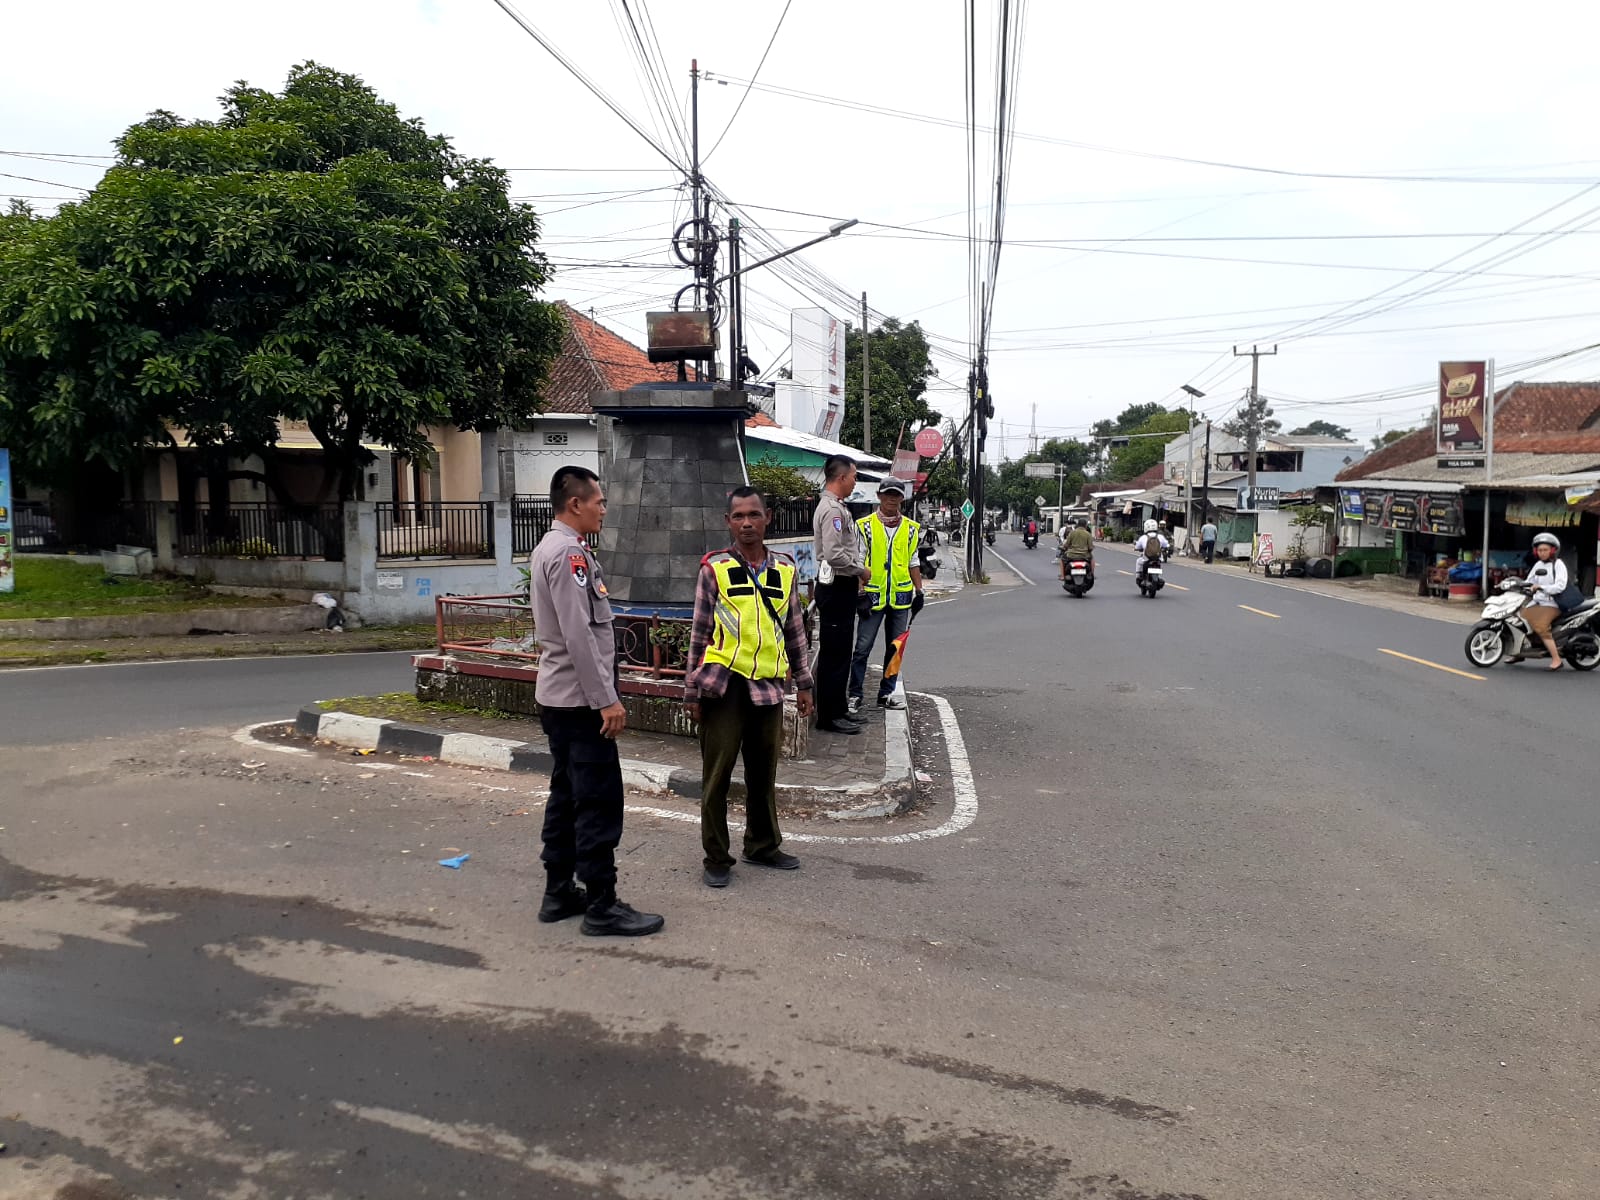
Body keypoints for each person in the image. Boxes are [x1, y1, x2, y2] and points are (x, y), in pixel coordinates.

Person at [529, 465, 664, 937]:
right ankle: (602, 905)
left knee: (566, 795)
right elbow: (579, 636)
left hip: (561, 699)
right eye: (599, 502)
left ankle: (558, 892)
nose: (604, 509)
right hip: (580, 703)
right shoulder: (569, 555)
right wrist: (606, 700)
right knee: (597, 802)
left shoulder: (552, 548)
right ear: (575, 504)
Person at [685, 487, 815, 888]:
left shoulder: (785, 570)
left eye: (754, 515)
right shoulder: (715, 569)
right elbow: (699, 634)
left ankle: (762, 845)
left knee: (763, 774)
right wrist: (691, 692)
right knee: (717, 777)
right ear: (728, 522)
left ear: (768, 518)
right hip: (723, 688)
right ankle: (716, 856)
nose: (746, 523)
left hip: (768, 688)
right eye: (738, 516)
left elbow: (795, 630)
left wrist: (805, 683)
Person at [849, 479, 925, 714]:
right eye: (888, 494)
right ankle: (855, 694)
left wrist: (919, 591)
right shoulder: (864, 526)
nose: (892, 499)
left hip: (901, 597)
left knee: (895, 649)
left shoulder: (911, 528)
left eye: (896, 495)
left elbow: (913, 561)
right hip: (872, 597)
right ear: (879, 496)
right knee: (862, 648)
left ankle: (886, 694)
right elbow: (858, 560)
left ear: (902, 498)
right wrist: (860, 592)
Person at [812, 454, 867, 734]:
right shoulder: (832, 510)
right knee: (834, 653)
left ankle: (839, 708)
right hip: (835, 586)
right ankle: (829, 716)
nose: (855, 482)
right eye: (854, 476)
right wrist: (860, 570)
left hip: (841, 586)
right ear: (842, 477)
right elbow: (833, 554)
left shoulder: (838, 507)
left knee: (842, 650)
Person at [1515, 531, 1567, 670]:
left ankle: (1556, 659)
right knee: (1518, 620)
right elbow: (1529, 581)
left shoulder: (1558, 564)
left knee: (1540, 626)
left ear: (1553, 550)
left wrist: (1541, 587)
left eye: (1545, 550)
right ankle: (1518, 652)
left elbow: (1560, 586)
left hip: (1553, 603)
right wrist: (1516, 584)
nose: (1542, 553)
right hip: (1537, 601)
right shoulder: (1538, 565)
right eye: (1539, 550)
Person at [1058, 517, 1095, 582]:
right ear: (1086, 525)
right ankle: (1091, 574)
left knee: (1061, 559)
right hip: (1084, 555)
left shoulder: (1072, 533)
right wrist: (1089, 550)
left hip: (1071, 555)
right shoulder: (1088, 534)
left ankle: (1062, 576)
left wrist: (1064, 547)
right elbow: (1090, 547)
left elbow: (1066, 545)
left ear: (1077, 525)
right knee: (1092, 559)